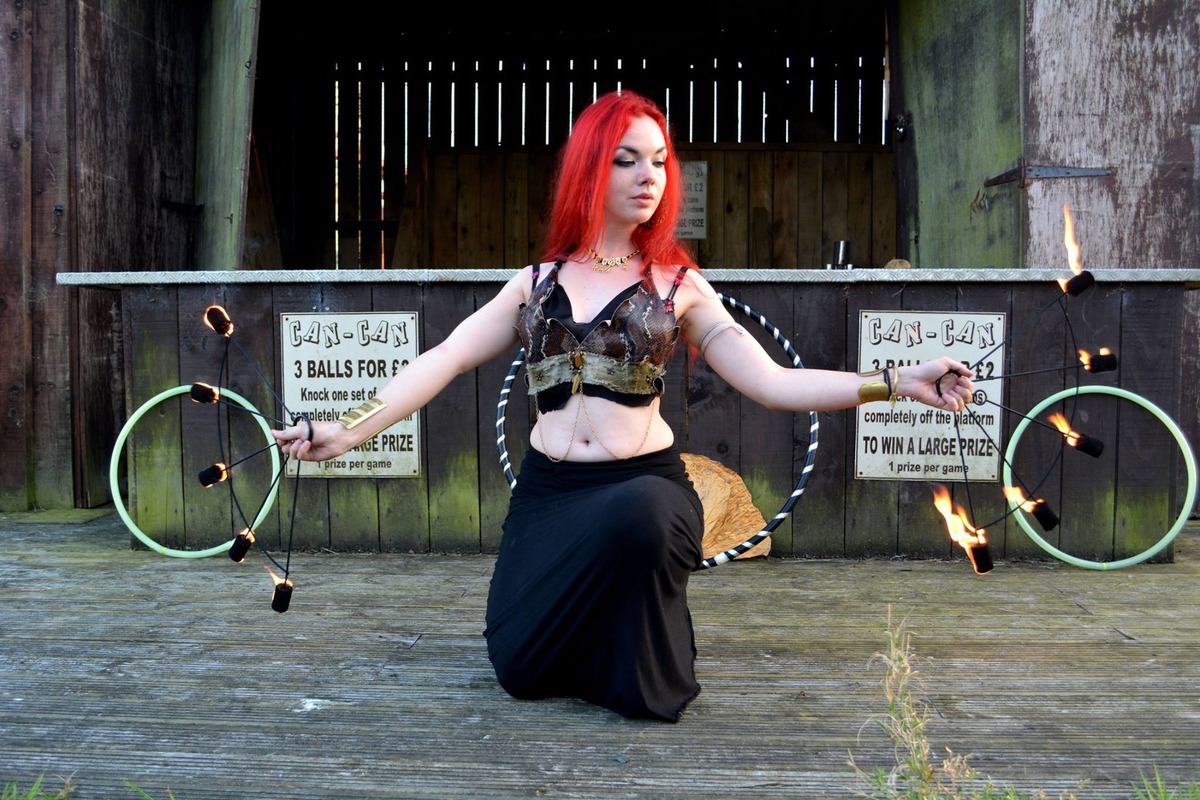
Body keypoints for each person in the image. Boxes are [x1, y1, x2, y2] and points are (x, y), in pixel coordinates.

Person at [272, 89, 975, 723]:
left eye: (660, 162)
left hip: (646, 489)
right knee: (518, 671)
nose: (649, 176)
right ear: (589, 169)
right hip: (549, 495)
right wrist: (348, 430)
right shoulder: (536, 283)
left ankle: (641, 649)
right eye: (627, 160)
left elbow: (773, 382)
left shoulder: (678, 285)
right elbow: (445, 357)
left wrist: (897, 380)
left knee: (638, 515)